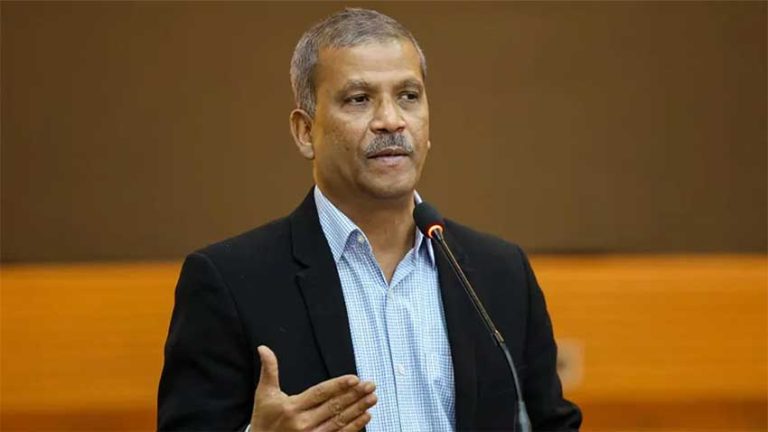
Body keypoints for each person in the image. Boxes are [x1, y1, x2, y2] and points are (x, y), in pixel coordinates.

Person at [158, 8, 582, 432]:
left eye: (408, 96)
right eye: (359, 99)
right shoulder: (230, 282)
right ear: (305, 132)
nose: (391, 120)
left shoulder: (500, 274)